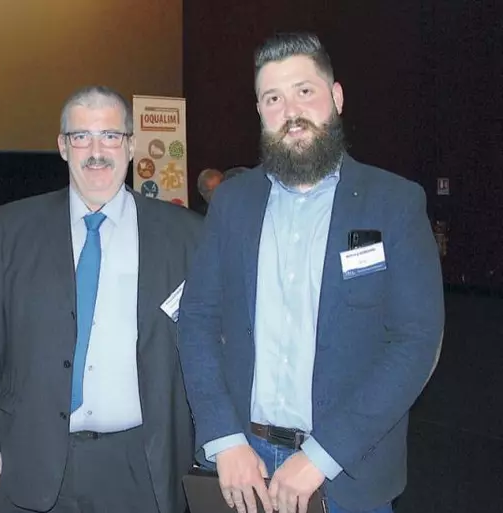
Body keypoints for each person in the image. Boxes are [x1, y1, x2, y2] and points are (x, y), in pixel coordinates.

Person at [177, 32, 444, 513]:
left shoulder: (395, 203)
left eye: (305, 91)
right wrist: (221, 435)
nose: (291, 111)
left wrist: (322, 456)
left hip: (347, 471)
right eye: (273, 98)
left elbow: (416, 341)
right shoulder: (232, 204)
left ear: (336, 98)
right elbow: (196, 319)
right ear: (260, 111)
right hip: (243, 467)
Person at [0, 85, 202, 513]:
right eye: (80, 136)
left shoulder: (184, 234)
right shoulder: (16, 225)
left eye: (110, 136)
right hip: (33, 453)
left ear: (131, 145)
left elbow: (208, 345)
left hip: (140, 461)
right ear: (62, 147)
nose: (96, 150)